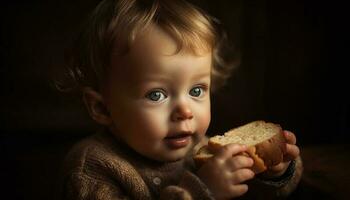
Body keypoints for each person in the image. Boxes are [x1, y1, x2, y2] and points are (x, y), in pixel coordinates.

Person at [57, 0, 303, 199]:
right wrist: (203, 191)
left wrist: (271, 174)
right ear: (102, 108)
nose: (185, 111)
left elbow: (256, 194)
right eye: (157, 95)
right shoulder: (93, 169)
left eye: (196, 91)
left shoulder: (205, 149)